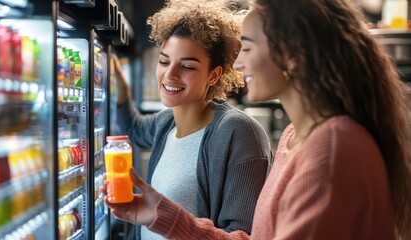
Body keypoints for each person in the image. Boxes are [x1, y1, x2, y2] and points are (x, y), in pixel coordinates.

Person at [103, 0, 411, 239]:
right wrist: (159, 213)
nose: (238, 61)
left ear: (289, 54)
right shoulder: (296, 137)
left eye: (247, 46)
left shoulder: (332, 150)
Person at [112, 0, 272, 239]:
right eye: (164, 61)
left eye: (186, 66)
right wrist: (120, 86)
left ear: (213, 75)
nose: (170, 75)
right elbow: (132, 128)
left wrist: (163, 216)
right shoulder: (165, 123)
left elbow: (243, 234)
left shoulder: (239, 133)